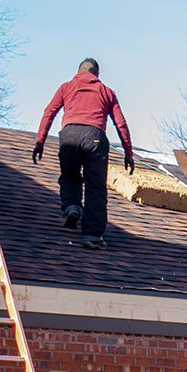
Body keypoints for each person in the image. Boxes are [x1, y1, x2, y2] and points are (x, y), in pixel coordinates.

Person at [32, 58, 134, 250]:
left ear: (78, 72)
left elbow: (49, 112)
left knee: (69, 175)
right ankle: (92, 235)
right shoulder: (106, 91)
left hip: (69, 135)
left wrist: (40, 142)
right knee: (95, 187)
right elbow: (120, 123)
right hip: (94, 136)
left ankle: (72, 207)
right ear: (97, 74)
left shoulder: (66, 87)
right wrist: (128, 153)